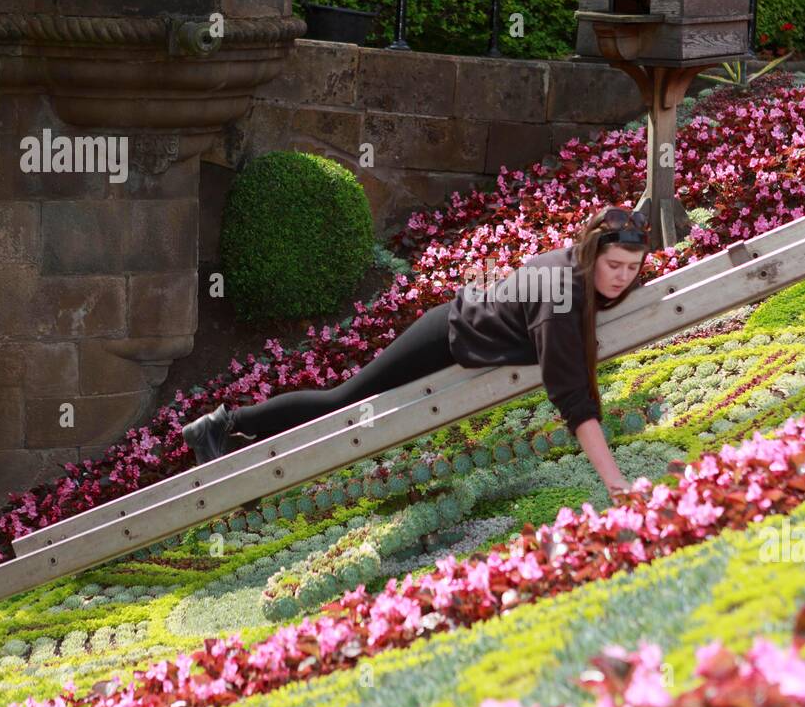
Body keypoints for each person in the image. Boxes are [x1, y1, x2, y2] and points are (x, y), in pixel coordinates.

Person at [181, 206, 652, 499]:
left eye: (633, 267)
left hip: (461, 332)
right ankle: (224, 424)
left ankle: (238, 441)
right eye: (613, 265)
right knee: (343, 403)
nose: (622, 276)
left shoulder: (579, 275)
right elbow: (570, 393)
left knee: (342, 401)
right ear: (591, 256)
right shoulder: (561, 290)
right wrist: (614, 481)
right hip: (444, 336)